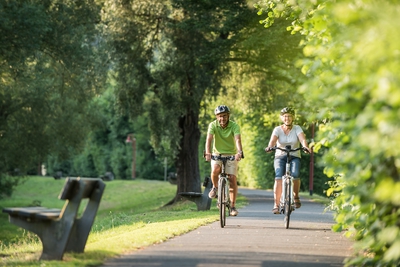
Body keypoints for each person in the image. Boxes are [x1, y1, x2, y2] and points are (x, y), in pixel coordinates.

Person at [265, 107, 311, 214]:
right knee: (278, 177)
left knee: (295, 174)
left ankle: (296, 196)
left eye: (290, 116)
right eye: (285, 116)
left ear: (293, 117)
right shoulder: (277, 129)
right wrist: (270, 147)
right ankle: (276, 205)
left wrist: (305, 147)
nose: (287, 118)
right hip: (280, 156)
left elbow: (302, 139)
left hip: (294, 155)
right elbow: (272, 141)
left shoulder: (297, 128)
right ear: (282, 117)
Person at [205, 105, 243, 217]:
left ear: (228, 116)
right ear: (217, 117)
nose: (222, 118)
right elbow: (209, 139)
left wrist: (239, 152)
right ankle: (215, 187)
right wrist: (207, 152)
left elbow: (237, 140)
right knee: (216, 169)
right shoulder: (213, 125)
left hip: (231, 154)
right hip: (217, 153)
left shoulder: (234, 126)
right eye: (220, 116)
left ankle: (232, 206)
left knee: (232, 178)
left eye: (225, 116)